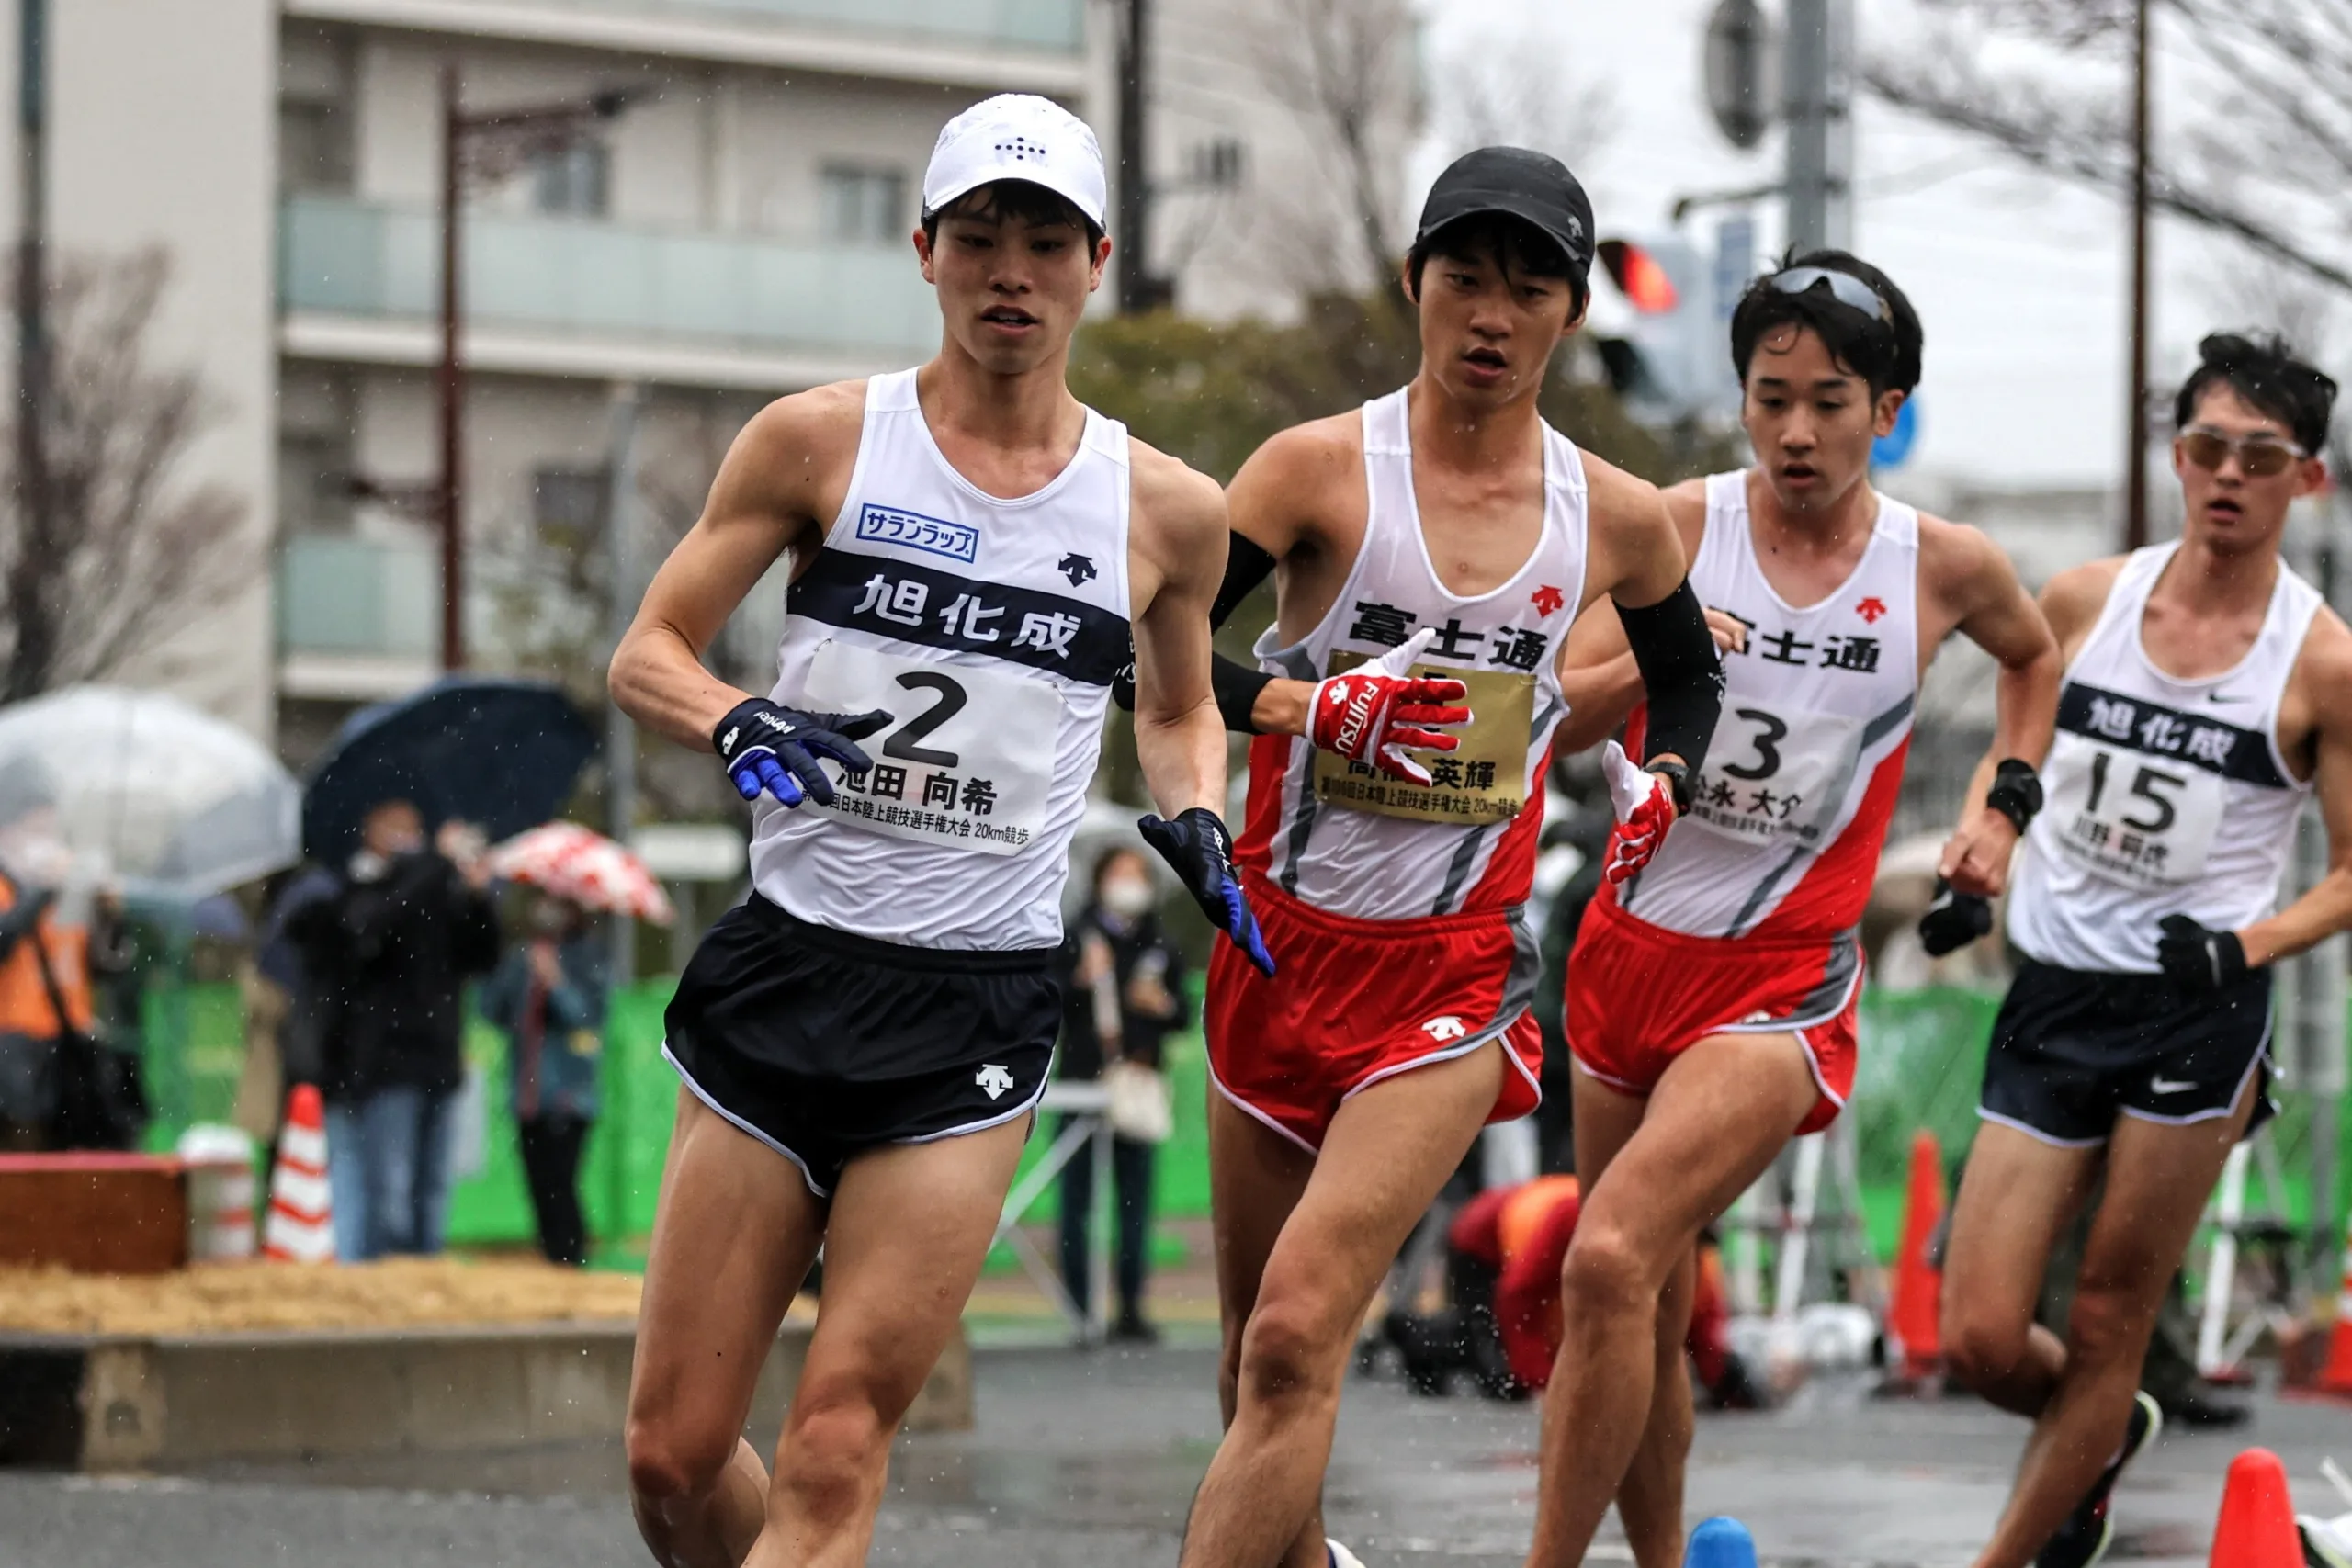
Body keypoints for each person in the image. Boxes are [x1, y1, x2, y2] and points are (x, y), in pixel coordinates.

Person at [607, 94, 1265, 1568]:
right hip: (786, 968)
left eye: (1045, 241)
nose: (1010, 271)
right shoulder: (820, 444)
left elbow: (1174, 708)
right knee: (669, 1457)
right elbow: (648, 648)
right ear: (924, 250)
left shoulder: (1168, 509)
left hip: (973, 999)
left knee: (840, 1438)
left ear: (1097, 263)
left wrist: (1200, 812)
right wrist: (731, 716)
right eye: (980, 237)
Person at [1174, 147, 1725, 1568]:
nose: (1491, 311)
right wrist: (1309, 700)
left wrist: (1663, 774)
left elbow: (1689, 683)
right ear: (1414, 283)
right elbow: (1155, 658)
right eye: (1464, 276)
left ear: (1569, 310)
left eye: (1528, 285)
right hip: (1275, 947)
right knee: (1251, 1361)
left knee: (1302, 1330)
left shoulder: (1616, 513)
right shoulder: (1310, 470)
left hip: (1451, 975)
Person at [1527, 251, 2060, 1568]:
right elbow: (1560, 704)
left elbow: (2033, 659)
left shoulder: (1941, 563)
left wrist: (2001, 812)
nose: (1796, 430)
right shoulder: (1665, 524)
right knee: (1637, 1298)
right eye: (1772, 397)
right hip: (1627, 952)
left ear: (1888, 411)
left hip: (1780, 983)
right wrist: (1666, 649)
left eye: (1831, 399)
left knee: (1602, 1259)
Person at [1929, 333, 2352, 1568]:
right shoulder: (2085, 601)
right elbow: (2014, 748)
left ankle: (2015, 1546)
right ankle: (2105, 1429)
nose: (2227, 477)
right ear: (2177, 455)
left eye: (2259, 458)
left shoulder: (2322, 663)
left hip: (2196, 1015)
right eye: (2207, 448)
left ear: (2306, 479)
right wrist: (1982, 843)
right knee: (1984, 1334)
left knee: (2112, 1314)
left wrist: (2244, 945)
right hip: (2056, 992)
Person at [290, 799, 502, 1261]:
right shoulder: (360, 889)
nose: (407, 837)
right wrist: (435, 864)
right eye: (395, 826)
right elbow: (374, 928)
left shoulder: (438, 892)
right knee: (389, 1191)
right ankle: (383, 1279)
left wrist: (477, 898)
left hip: (440, 1059)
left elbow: (482, 956)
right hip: (386, 1065)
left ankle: (425, 1278)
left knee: (433, 1188)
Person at [1384, 1176, 1758, 1411]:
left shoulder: (1697, 1261)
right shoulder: (1578, 1218)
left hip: (1530, 1245)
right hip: (1482, 1238)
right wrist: (1541, 1383)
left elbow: (1700, 1330)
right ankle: (1415, 1337)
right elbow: (1517, 1297)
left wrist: (1730, 1389)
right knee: (1500, 1375)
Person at [1054, 845, 1188, 1340]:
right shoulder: (1072, 935)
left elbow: (1182, 1017)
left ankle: (1131, 1307)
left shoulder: (1160, 942)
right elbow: (1046, 1001)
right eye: (1120, 873)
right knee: (1077, 1201)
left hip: (1137, 1083)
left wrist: (1160, 1005)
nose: (1129, 883)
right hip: (1081, 1084)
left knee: (1135, 1201)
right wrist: (1077, 981)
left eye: (1138, 874)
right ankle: (1078, 1307)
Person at [478, 892, 607, 1268]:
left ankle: (570, 1257)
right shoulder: (523, 956)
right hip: (528, 1094)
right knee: (536, 1184)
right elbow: (492, 1009)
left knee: (561, 1182)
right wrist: (515, 973)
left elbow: (587, 1017)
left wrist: (556, 982)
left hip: (570, 1096)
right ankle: (552, 1259)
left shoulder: (590, 957)